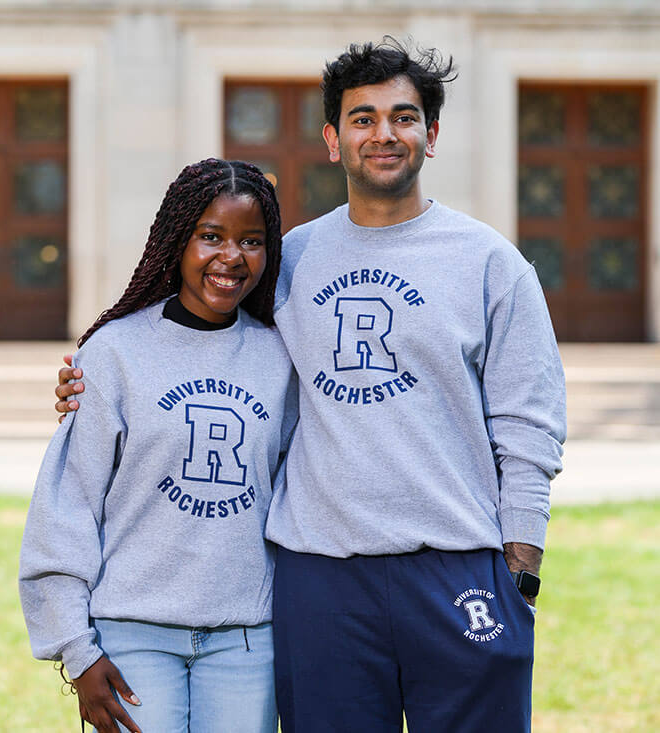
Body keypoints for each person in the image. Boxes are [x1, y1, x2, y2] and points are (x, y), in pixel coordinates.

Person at [55, 40, 566, 733]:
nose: (383, 133)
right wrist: (93, 376)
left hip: (458, 565)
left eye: (403, 117)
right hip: (321, 575)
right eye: (361, 118)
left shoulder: (490, 265)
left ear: (432, 134)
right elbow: (203, 346)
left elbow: (528, 419)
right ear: (332, 138)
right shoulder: (285, 259)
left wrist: (521, 562)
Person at [20, 158, 296, 733]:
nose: (231, 256)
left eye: (252, 241)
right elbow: (67, 505)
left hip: (247, 638)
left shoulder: (281, 357)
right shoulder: (115, 353)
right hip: (131, 634)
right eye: (211, 236)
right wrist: (77, 648)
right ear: (177, 240)